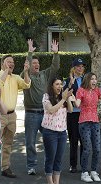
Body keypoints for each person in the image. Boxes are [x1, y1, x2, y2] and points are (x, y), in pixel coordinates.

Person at [22, 39, 60, 175]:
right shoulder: (25, 76)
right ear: (29, 66)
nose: (36, 65)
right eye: (34, 63)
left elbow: (55, 67)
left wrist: (55, 54)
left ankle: (48, 165)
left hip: (45, 113)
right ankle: (31, 166)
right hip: (31, 114)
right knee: (30, 142)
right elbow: (26, 68)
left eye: (38, 63)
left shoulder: (45, 74)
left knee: (49, 140)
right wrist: (30, 53)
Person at [0, 55, 31, 178]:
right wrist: (6, 72)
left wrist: (27, 71)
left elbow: (26, 84)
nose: (11, 64)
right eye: (8, 62)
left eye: (12, 62)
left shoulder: (16, 77)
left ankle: (5, 168)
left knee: (8, 143)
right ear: (3, 63)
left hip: (12, 115)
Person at [41, 77, 73, 184]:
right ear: (52, 86)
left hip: (62, 132)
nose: (59, 86)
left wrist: (67, 99)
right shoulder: (46, 96)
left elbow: (70, 110)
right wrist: (63, 99)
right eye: (57, 84)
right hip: (50, 132)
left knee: (58, 159)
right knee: (51, 158)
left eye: (61, 84)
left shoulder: (62, 97)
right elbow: (51, 110)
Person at [64, 58, 85, 173]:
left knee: (84, 140)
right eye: (78, 66)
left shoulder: (86, 80)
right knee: (73, 139)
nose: (80, 68)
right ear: (73, 68)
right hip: (73, 113)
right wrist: (70, 84)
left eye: (82, 66)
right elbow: (64, 93)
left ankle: (83, 163)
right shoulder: (68, 80)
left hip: (84, 113)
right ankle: (73, 164)